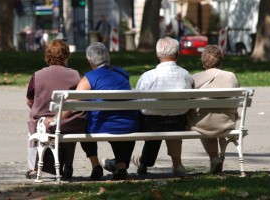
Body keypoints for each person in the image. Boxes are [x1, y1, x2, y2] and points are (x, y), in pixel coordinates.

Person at [45, 42, 139, 180]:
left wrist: (54, 119)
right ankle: (121, 167)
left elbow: (72, 104)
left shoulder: (89, 77)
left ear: (90, 62)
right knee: (120, 121)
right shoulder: (122, 74)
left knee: (84, 123)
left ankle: (96, 166)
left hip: (101, 127)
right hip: (129, 125)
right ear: (108, 58)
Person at [132, 37, 194, 177]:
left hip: (150, 124)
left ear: (157, 55)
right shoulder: (185, 75)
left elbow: (138, 100)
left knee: (155, 119)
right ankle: (177, 164)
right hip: (178, 123)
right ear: (178, 54)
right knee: (171, 117)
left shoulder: (148, 76)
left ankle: (144, 163)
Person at [26, 39, 86, 180]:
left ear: (48, 56)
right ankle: (68, 166)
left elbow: (29, 100)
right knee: (69, 123)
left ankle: (34, 168)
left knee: (33, 121)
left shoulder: (38, 75)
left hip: (47, 125)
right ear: (66, 55)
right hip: (70, 122)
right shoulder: (75, 75)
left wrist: (37, 109)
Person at [186, 45, 240, 174]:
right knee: (215, 116)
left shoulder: (195, 77)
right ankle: (216, 159)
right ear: (221, 61)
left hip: (201, 124)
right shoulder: (231, 76)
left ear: (203, 62)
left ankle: (214, 158)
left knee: (205, 119)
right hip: (226, 122)